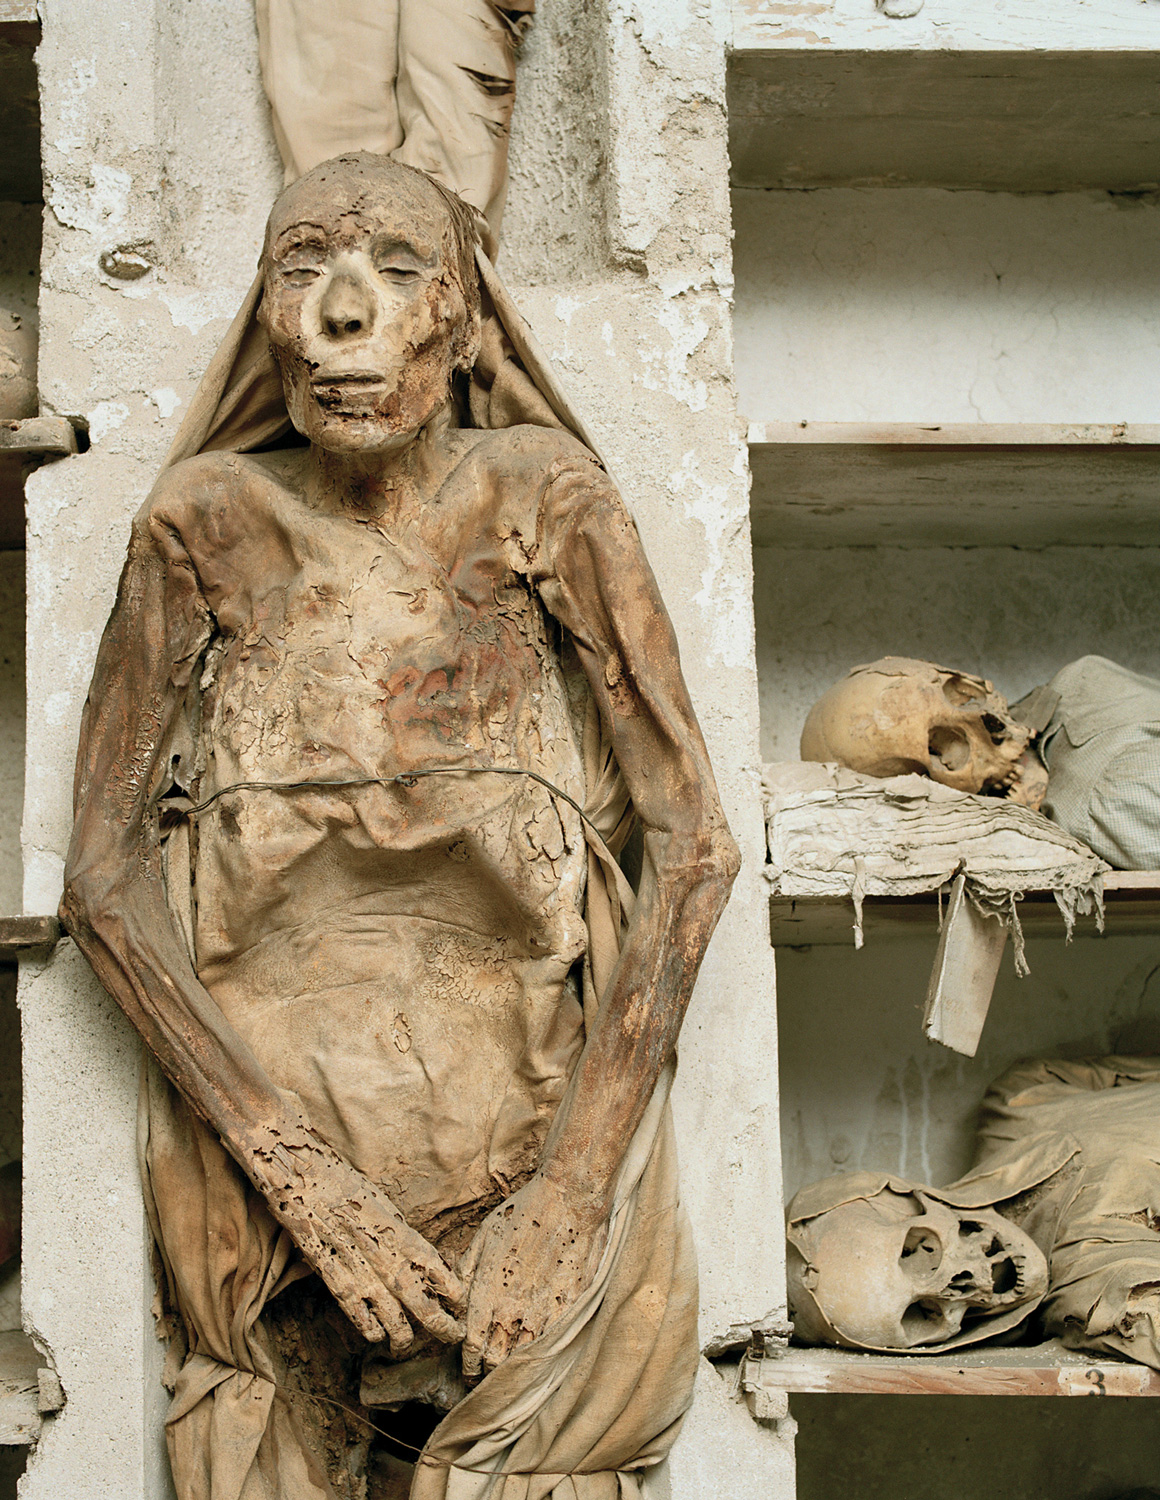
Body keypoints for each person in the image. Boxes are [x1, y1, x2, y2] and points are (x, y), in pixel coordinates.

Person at [62, 151, 737, 1500]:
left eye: (395, 267)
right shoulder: (206, 520)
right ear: (267, 314)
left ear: (468, 319)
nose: (340, 310)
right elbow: (101, 875)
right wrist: (295, 1173)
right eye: (302, 265)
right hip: (267, 1143)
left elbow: (695, 844)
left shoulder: (543, 498)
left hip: (532, 1119)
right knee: (248, 1434)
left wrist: (572, 1188)